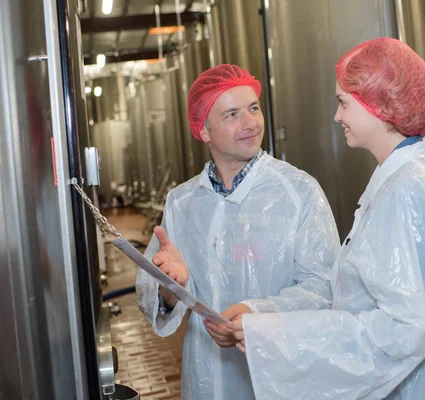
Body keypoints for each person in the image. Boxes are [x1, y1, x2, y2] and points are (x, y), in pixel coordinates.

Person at [229, 38, 425, 399]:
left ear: (380, 104)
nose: (337, 116)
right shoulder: (406, 178)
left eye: (344, 103)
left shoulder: (406, 193)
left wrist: (279, 336)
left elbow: (402, 332)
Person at [135, 64, 340, 400]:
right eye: (232, 114)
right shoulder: (183, 202)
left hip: (282, 377)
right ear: (204, 130)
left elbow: (324, 287)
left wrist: (255, 314)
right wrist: (171, 287)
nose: (250, 123)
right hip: (206, 376)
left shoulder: (298, 191)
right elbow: (156, 295)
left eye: (254, 108)